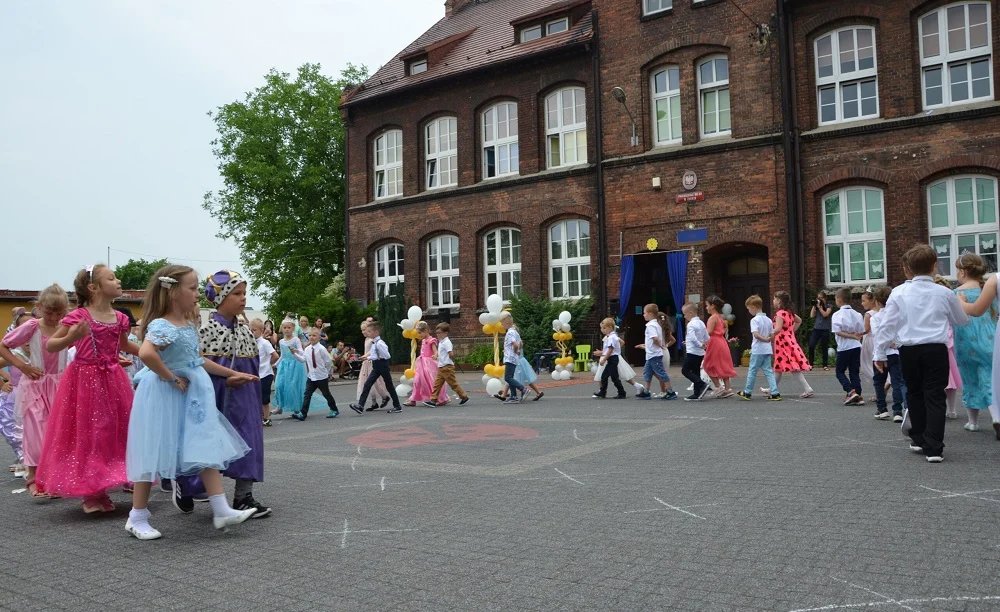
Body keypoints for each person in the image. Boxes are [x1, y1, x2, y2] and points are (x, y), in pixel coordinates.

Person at [124, 265, 257, 540]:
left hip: (192, 395)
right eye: (193, 288)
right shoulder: (162, 324)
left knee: (204, 444)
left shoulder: (187, 324)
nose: (198, 294)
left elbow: (197, 360)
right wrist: (171, 377)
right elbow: (147, 353)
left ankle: (221, 509)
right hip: (166, 396)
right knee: (152, 451)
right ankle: (136, 517)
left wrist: (231, 373)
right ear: (173, 292)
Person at [37, 266, 138, 512]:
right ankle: (92, 493)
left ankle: (107, 483)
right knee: (91, 433)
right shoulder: (79, 316)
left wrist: (152, 352)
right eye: (111, 278)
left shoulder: (120, 318)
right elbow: (51, 345)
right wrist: (71, 337)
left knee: (113, 431)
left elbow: (125, 345)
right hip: (84, 381)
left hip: (113, 380)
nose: (118, 280)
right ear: (93, 287)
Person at [172, 270, 269, 517]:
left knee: (248, 440)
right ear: (220, 297)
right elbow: (194, 369)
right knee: (207, 443)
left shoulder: (246, 333)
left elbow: (252, 367)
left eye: (244, 293)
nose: (243, 298)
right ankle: (187, 485)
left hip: (245, 401)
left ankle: (243, 496)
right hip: (214, 399)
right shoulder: (205, 332)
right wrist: (225, 382)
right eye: (236, 293)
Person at [877, 245, 970, 462]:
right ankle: (934, 447)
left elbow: (887, 326)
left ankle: (918, 437)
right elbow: (961, 320)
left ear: (908, 268)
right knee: (935, 395)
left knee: (914, 392)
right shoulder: (945, 293)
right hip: (936, 348)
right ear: (934, 266)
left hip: (908, 349)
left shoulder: (898, 292)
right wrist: (963, 306)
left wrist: (880, 353)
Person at [0, 290, 69, 498]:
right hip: (35, 386)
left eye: (59, 313)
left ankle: (53, 477)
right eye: (49, 312)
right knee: (35, 432)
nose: (54, 318)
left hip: (59, 386)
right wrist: (23, 366)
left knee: (57, 434)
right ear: (39, 307)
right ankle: (32, 476)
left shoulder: (67, 326)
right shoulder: (32, 326)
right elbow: (4, 346)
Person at [951, 253, 996, 432]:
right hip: (991, 339)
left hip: (965, 342)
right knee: (990, 378)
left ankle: (973, 421)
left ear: (962, 272)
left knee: (970, 379)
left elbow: (953, 318)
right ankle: (995, 414)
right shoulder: (989, 289)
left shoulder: (956, 294)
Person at [870, 286, 906, 422]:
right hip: (895, 353)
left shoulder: (875, 318)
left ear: (877, 301)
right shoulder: (897, 316)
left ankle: (882, 409)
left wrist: (885, 345)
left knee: (879, 381)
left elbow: (877, 335)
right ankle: (897, 411)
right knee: (897, 382)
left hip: (880, 353)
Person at [350, 320, 402, 414]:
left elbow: (387, 355)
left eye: (370, 331)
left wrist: (377, 357)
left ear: (376, 332)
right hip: (376, 366)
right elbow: (373, 355)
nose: (368, 333)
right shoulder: (374, 343)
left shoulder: (380, 343)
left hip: (382, 365)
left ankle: (397, 405)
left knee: (389, 386)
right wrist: (367, 358)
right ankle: (360, 405)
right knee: (367, 384)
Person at [769, 291, 814, 398]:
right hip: (789, 341)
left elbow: (778, 329)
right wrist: (791, 331)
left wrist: (769, 335)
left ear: (779, 301)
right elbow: (799, 321)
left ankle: (807, 388)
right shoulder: (789, 312)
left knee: (793, 366)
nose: (773, 301)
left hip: (782, 343)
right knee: (778, 366)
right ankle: (772, 388)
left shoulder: (780, 314)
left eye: (774, 299)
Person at [736, 295, 780, 401]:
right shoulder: (769, 320)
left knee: (752, 371)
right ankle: (775, 392)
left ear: (753, 307)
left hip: (758, 349)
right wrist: (769, 340)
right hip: (767, 349)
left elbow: (755, 335)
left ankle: (747, 392)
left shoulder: (754, 320)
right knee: (769, 371)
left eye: (749, 309)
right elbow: (772, 335)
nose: (749, 311)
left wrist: (764, 339)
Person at [933, 276, 964, 421]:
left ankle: (949, 409)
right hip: (945, 339)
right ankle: (950, 409)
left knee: (946, 381)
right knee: (949, 381)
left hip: (944, 340)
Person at [291, 327, 339, 420]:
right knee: (307, 394)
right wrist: (294, 354)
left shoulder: (321, 349)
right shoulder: (307, 349)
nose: (311, 337)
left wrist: (326, 371)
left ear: (319, 337)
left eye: (314, 335)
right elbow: (303, 359)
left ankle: (334, 409)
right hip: (311, 376)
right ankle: (303, 413)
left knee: (326, 394)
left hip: (321, 376)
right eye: (310, 335)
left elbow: (328, 361)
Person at [634, 304, 677, 400]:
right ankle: (646, 391)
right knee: (647, 372)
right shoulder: (657, 325)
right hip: (651, 355)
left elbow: (655, 338)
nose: (643, 315)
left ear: (650, 314)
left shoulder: (650, 325)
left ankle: (670, 391)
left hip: (654, 354)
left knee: (661, 372)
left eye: (644, 313)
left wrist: (660, 345)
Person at [424, 322, 471, 407]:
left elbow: (450, 353)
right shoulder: (442, 342)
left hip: (447, 367)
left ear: (445, 333)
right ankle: (433, 400)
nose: (438, 335)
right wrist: (438, 357)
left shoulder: (446, 342)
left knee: (453, 384)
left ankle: (464, 396)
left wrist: (449, 357)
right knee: (437, 385)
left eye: (439, 333)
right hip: (442, 367)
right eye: (437, 333)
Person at [832, 287, 865, 406]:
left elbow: (837, 331)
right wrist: (855, 336)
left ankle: (850, 391)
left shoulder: (837, 314)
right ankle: (858, 395)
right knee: (854, 372)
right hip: (856, 346)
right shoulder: (858, 314)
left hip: (844, 347)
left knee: (839, 372)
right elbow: (861, 331)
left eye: (835, 298)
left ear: (839, 299)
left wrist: (850, 336)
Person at [702, 296, 736, 398]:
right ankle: (728, 388)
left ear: (712, 306)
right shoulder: (720, 317)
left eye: (707, 305)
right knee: (723, 364)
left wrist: (702, 339)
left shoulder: (712, 318)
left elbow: (709, 332)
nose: (706, 308)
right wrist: (720, 332)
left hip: (714, 343)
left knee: (707, 364)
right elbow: (725, 327)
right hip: (721, 341)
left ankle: (718, 386)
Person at [407, 322, 449, 406]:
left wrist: (435, 355)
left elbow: (435, 351)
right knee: (417, 381)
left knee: (431, 382)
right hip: (421, 364)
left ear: (426, 330)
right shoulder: (423, 340)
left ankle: (441, 399)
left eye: (420, 333)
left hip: (429, 365)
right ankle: (413, 400)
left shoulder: (431, 340)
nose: (419, 335)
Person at [273, 319, 307, 416]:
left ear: (293, 328)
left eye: (289, 327)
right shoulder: (281, 341)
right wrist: (275, 364)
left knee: (293, 387)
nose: (287, 329)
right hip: (284, 366)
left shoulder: (296, 340)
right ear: (282, 329)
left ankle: (297, 408)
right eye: (285, 328)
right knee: (278, 385)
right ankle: (279, 406)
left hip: (295, 365)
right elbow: (282, 355)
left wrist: (295, 350)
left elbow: (302, 352)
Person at [250, 318, 278, 426]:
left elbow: (275, 356)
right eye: (250, 330)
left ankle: (266, 418)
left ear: (261, 330)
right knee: (256, 396)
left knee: (264, 398)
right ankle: (260, 416)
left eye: (254, 330)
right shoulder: (251, 343)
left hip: (265, 374)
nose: (251, 332)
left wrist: (268, 364)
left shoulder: (264, 343)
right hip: (256, 374)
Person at [357, 320, 390, 411]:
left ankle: (384, 396)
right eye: (362, 330)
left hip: (371, 362)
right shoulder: (366, 339)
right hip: (366, 363)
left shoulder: (372, 340)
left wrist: (365, 356)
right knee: (367, 383)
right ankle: (374, 402)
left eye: (365, 330)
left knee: (375, 382)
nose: (363, 332)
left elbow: (372, 351)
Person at [680, 303, 710, 401]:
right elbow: (707, 337)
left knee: (685, 370)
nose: (684, 316)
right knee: (696, 371)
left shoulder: (691, 324)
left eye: (685, 314)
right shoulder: (701, 323)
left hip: (692, 351)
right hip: (700, 353)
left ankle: (701, 384)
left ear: (691, 313)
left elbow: (692, 338)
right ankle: (697, 394)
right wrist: (703, 344)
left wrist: (699, 344)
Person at [592, 318, 627, 399]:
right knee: (609, 376)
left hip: (612, 359)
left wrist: (604, 359)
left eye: (604, 328)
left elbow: (610, 349)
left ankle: (620, 392)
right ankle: (605, 392)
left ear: (610, 327)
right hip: (613, 358)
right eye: (601, 328)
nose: (602, 330)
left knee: (611, 377)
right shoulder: (613, 336)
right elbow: (617, 345)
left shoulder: (611, 337)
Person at [498, 312, 527, 404]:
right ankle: (513, 396)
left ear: (506, 323)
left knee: (507, 378)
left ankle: (523, 389)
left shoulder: (510, 333)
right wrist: (517, 350)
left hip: (510, 358)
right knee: (510, 377)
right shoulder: (515, 332)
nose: (502, 326)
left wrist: (515, 350)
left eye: (502, 324)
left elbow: (515, 344)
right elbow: (521, 343)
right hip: (514, 358)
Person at [808, 291, 833, 370]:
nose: (819, 299)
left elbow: (826, 314)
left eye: (821, 298)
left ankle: (825, 365)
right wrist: (814, 306)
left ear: (825, 298)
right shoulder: (817, 306)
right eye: (818, 298)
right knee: (811, 345)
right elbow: (811, 316)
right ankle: (810, 364)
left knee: (824, 347)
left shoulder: (829, 306)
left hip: (825, 329)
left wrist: (820, 307)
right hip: (816, 329)